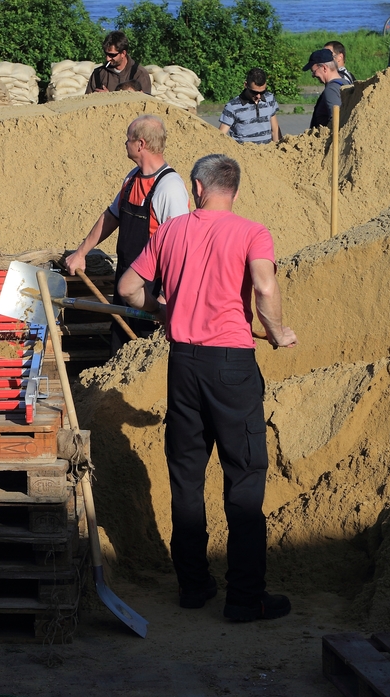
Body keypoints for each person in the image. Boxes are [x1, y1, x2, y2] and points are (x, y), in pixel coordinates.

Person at [117, 153, 298, 622]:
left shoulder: (172, 230)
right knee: (243, 476)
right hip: (232, 365)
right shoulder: (252, 231)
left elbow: (128, 288)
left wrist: (162, 311)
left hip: (184, 364)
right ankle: (245, 598)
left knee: (187, 477)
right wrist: (276, 332)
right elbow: (263, 286)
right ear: (233, 190)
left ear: (197, 188)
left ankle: (193, 587)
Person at [64, 115, 190, 353]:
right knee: (119, 350)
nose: (125, 143)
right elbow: (112, 216)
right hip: (126, 279)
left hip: (151, 292)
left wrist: (164, 298)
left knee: (144, 356)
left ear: (140, 144)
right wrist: (81, 253)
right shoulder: (132, 178)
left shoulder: (169, 188)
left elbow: (180, 248)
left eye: (128, 139)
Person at [219, 68, 281, 145]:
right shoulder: (232, 106)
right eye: (254, 92)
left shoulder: (270, 99)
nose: (258, 96)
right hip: (244, 154)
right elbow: (220, 136)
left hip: (266, 153)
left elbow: (275, 131)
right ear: (246, 85)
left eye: (262, 92)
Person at [86, 31, 153, 95]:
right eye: (106, 54)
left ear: (123, 53)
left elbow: (145, 103)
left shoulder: (139, 74)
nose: (107, 58)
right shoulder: (98, 74)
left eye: (112, 55)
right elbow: (87, 101)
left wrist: (108, 97)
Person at [306, 48, 348, 131]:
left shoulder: (331, 90)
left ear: (324, 68)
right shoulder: (345, 82)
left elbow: (336, 121)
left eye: (314, 71)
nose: (313, 75)